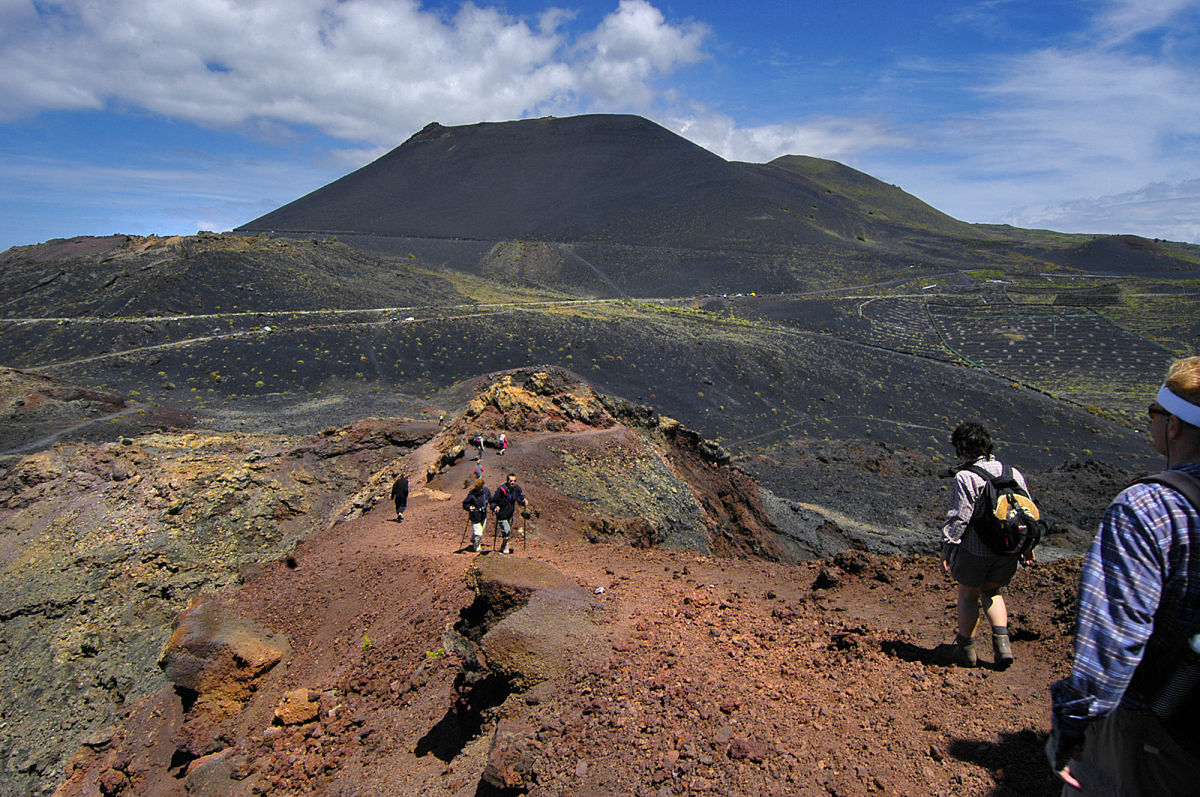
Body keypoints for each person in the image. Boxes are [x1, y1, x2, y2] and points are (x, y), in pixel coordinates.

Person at [1048, 356, 1200, 795]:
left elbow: (1114, 643)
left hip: (1153, 729)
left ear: (1173, 425)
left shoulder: (1149, 510)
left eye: (1154, 414)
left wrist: (1071, 729)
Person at [940, 421, 1033, 668]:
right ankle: (1002, 646)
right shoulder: (1012, 473)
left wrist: (947, 548)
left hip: (975, 549)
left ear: (961, 448)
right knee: (993, 592)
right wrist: (1027, 546)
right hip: (1007, 549)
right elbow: (1027, 511)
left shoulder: (966, 477)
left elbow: (960, 516)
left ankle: (967, 650)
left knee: (969, 595)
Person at [490, 472, 530, 555]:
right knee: (507, 531)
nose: (513, 483)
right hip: (501, 514)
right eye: (511, 481)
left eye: (514, 481)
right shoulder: (501, 489)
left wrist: (523, 501)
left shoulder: (517, 488)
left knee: (508, 531)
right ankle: (505, 546)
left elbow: (520, 498)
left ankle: (504, 544)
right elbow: (493, 501)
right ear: (507, 480)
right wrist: (495, 507)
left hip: (510, 514)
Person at [462, 479, 492, 553]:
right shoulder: (472, 494)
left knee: (481, 530)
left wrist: (494, 506)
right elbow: (465, 503)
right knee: (479, 532)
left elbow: (491, 499)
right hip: (475, 516)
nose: (480, 489)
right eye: (479, 488)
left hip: (483, 515)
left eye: (481, 487)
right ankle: (476, 547)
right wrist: (469, 507)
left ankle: (473, 539)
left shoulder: (486, 491)